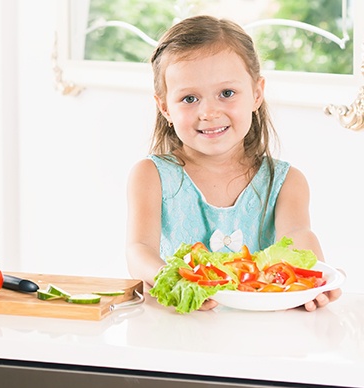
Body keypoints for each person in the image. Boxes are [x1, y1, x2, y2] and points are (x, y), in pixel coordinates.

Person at [125, 15, 342, 312]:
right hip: (178, 326)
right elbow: (138, 250)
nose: (209, 112)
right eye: (189, 98)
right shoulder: (151, 176)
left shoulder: (286, 182)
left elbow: (298, 238)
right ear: (165, 108)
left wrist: (314, 278)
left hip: (260, 331)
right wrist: (173, 279)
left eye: (227, 93)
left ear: (256, 94)